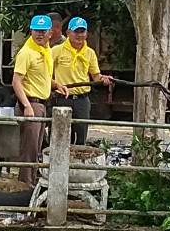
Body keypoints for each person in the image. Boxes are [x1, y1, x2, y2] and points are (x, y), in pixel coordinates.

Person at [50, 17, 113, 146]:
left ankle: (78, 158)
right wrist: (55, 85)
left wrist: (104, 79)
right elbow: (46, 74)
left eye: (82, 32)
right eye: (76, 31)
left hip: (82, 100)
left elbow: (96, 76)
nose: (79, 35)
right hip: (62, 98)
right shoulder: (56, 51)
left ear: (86, 33)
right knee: (60, 136)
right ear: (68, 33)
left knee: (81, 136)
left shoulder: (90, 53)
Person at [11, 14, 54, 184]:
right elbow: (16, 81)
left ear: (50, 33)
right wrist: (26, 105)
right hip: (31, 103)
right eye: (36, 30)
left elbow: (42, 76)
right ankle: (25, 184)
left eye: (43, 31)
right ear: (31, 31)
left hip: (41, 103)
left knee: (36, 147)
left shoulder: (45, 50)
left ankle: (32, 182)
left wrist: (56, 85)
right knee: (29, 149)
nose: (39, 34)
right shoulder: (27, 52)